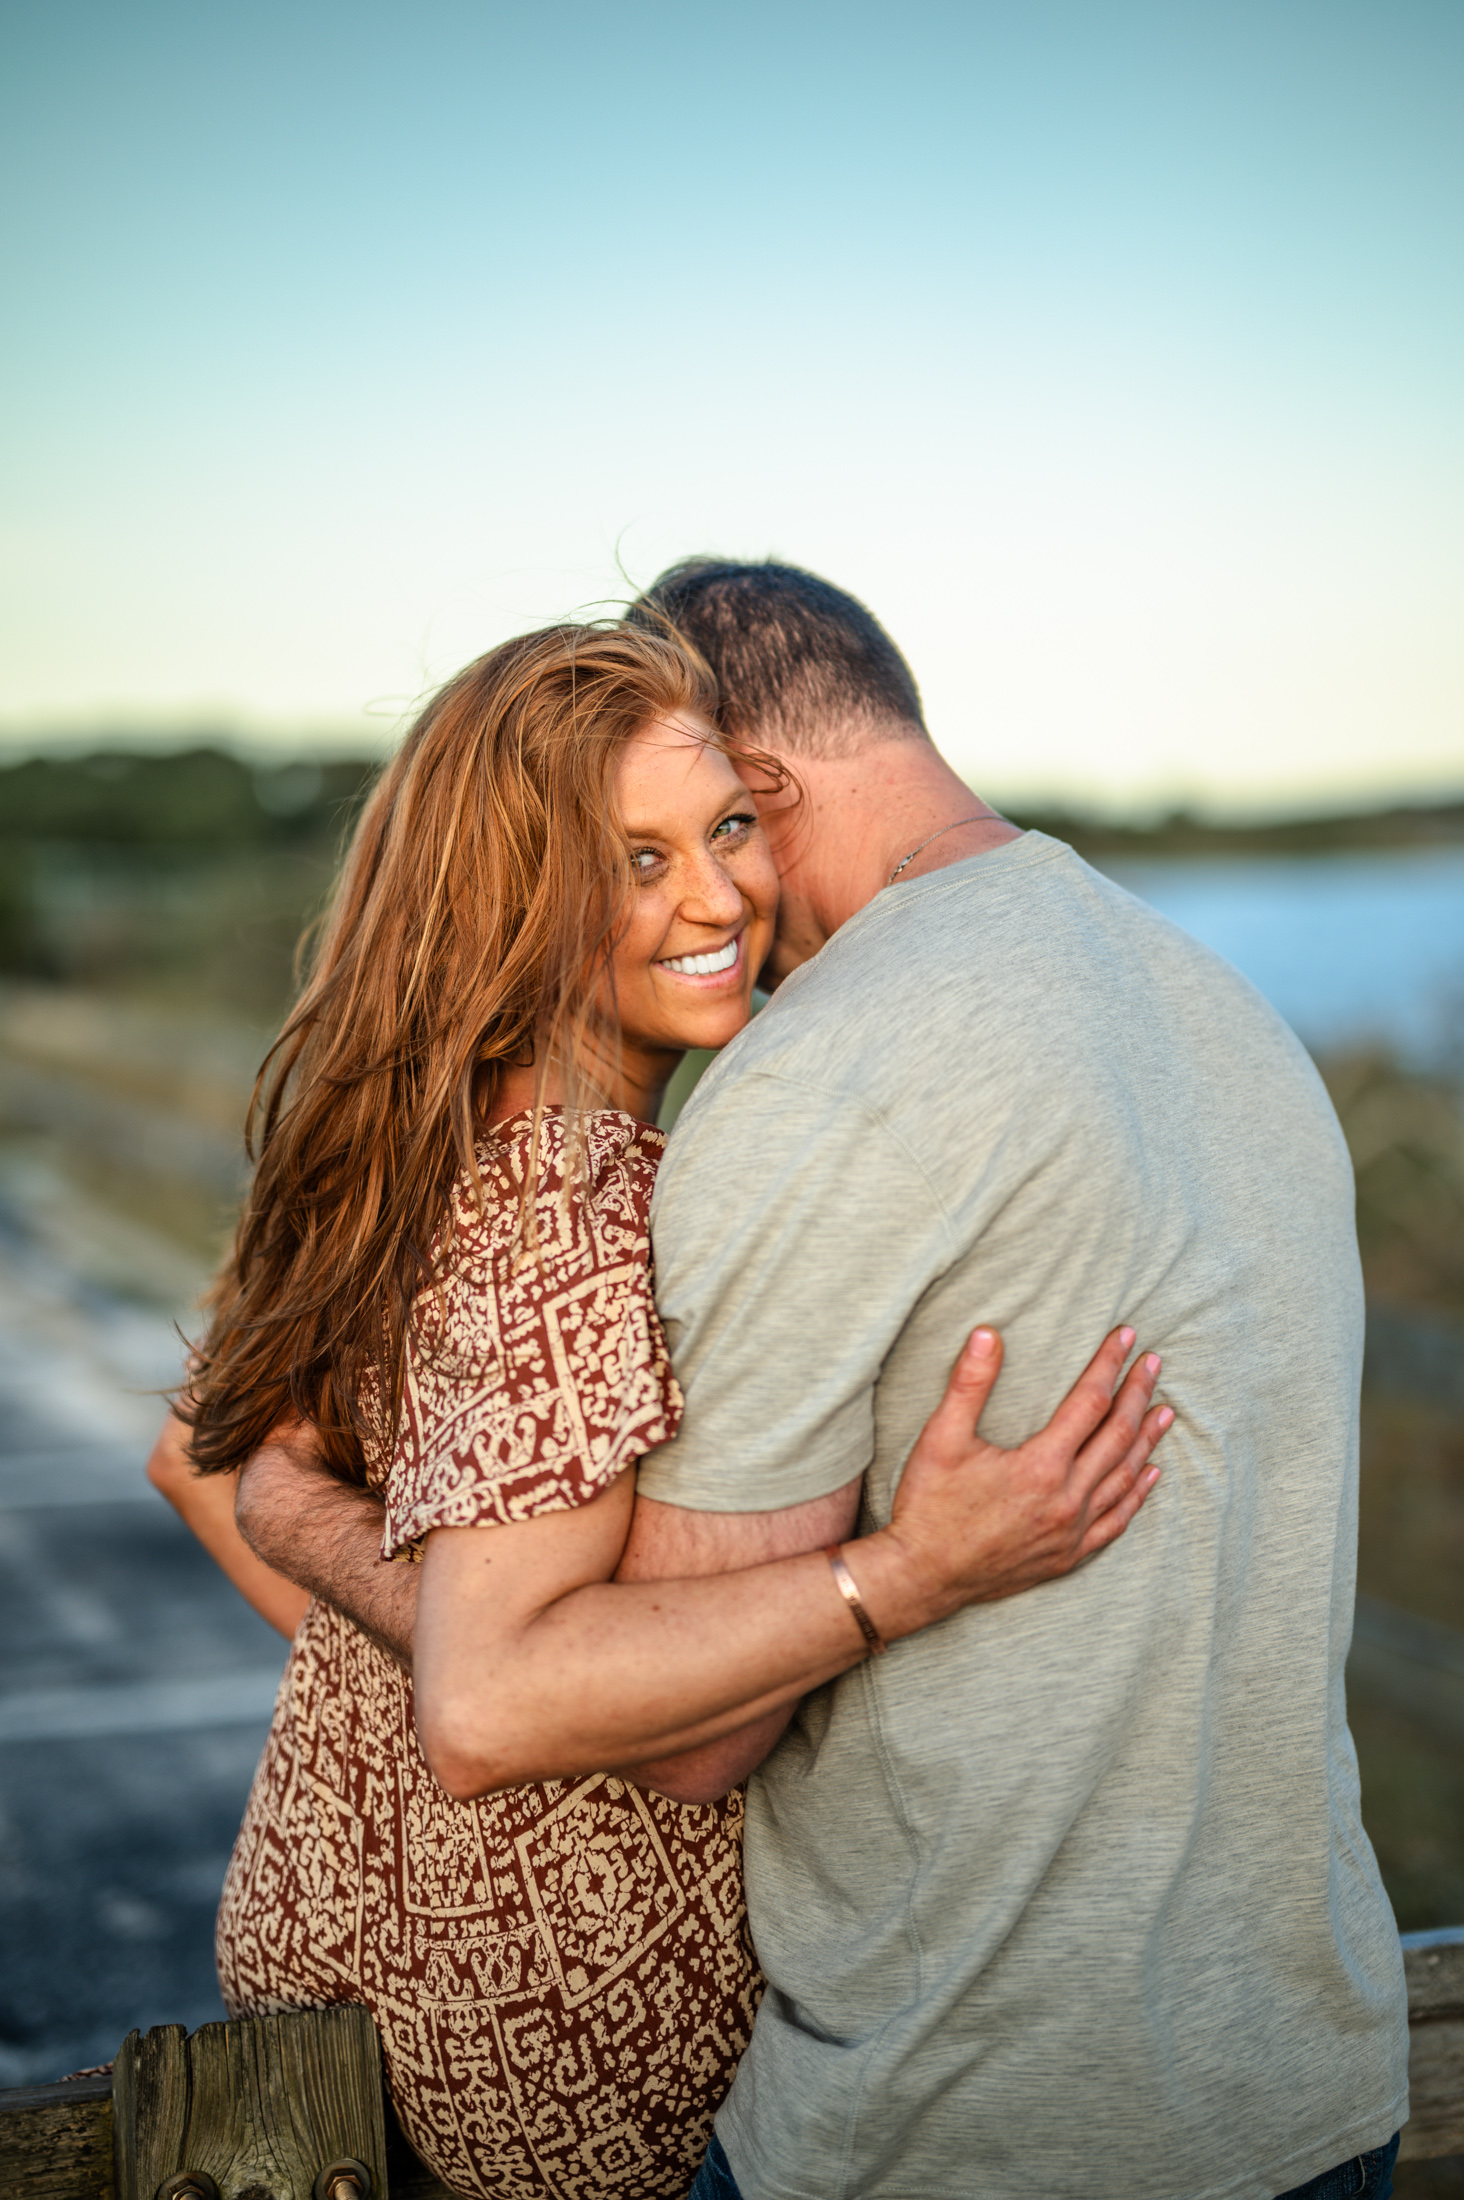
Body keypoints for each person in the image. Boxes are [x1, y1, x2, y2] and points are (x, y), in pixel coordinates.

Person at [230, 560, 1410, 2200]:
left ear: (755, 779)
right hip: (1313, 2080)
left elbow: (670, 1741)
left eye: (718, 829)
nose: (716, 898)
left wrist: (298, 1509)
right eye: (636, 852)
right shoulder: (1223, 1012)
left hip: (973, 2108)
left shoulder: (827, 1077)